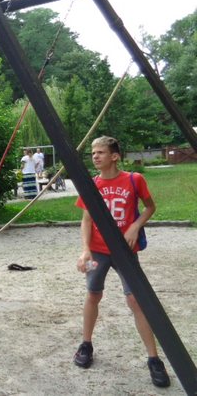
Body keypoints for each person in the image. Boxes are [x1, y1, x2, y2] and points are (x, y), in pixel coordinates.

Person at [73, 136, 169, 388]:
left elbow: (150, 207)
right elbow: (86, 219)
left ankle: (154, 359)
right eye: (93, 152)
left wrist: (135, 226)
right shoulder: (91, 184)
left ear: (114, 156)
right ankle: (86, 344)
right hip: (97, 250)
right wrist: (85, 250)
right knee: (93, 295)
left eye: (100, 152)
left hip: (125, 250)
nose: (95, 156)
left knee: (136, 300)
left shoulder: (134, 179)